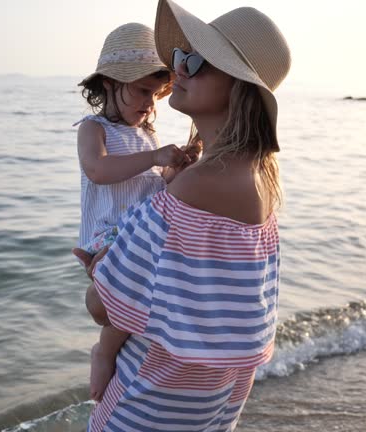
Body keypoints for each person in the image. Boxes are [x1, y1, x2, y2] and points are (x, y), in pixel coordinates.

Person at [76, 0, 292, 430]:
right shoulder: (262, 178)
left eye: (197, 61)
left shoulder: (199, 184)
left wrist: (105, 267)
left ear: (239, 86)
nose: (180, 69)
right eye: (179, 58)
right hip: (211, 400)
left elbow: (102, 306)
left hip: (152, 396)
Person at [73, 22, 202, 402]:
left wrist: (178, 167)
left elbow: (158, 184)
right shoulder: (93, 129)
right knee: (134, 283)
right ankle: (105, 350)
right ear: (110, 82)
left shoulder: (147, 134)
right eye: (143, 91)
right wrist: (154, 156)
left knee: (153, 286)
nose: (150, 103)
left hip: (141, 230)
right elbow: (97, 170)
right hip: (110, 233)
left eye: (157, 94)